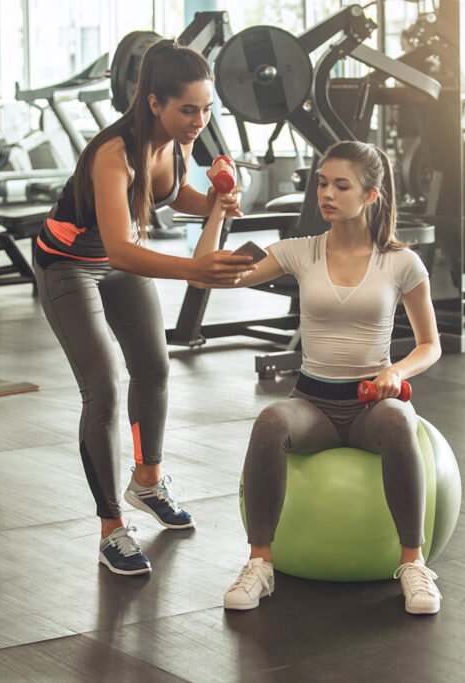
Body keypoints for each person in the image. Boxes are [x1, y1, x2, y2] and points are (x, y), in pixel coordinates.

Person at [191, 141, 444, 615]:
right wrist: (217, 214)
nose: (326, 193)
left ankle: (413, 563)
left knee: (396, 422)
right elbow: (206, 278)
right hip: (312, 403)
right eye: (322, 183)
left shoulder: (401, 262)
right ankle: (260, 563)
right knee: (270, 420)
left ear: (371, 195)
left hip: (372, 403)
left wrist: (395, 370)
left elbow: (431, 345)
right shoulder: (299, 252)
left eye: (340, 185)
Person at [33, 39, 255, 576]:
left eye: (207, 109)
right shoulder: (114, 154)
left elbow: (171, 194)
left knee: (153, 368)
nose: (200, 121)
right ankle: (112, 528)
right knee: (103, 386)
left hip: (117, 259)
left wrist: (216, 203)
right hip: (69, 264)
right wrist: (193, 269)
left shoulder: (177, 141)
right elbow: (120, 249)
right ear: (154, 103)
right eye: (188, 110)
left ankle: (148, 483)